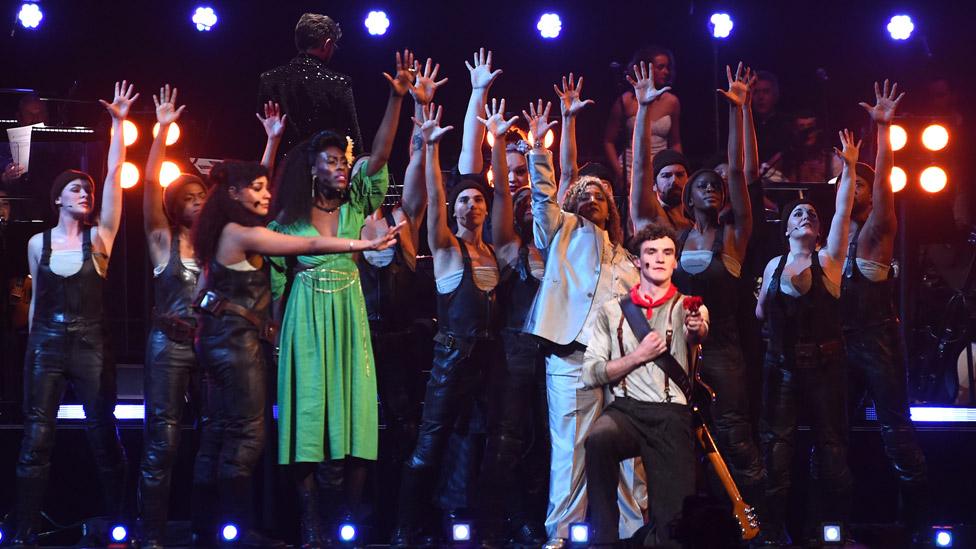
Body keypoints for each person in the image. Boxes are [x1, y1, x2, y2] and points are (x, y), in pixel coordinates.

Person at [191, 159, 401, 548]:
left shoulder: (221, 228)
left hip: (220, 341)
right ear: (234, 193)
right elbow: (308, 244)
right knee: (246, 438)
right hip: (235, 345)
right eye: (256, 187)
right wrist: (364, 243)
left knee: (220, 432)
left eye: (266, 186)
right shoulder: (239, 232)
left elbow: (200, 294)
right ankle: (234, 531)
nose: (266, 194)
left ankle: (213, 526)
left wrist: (269, 144)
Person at [267, 48, 413, 547]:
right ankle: (311, 524)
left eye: (343, 161)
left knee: (354, 415)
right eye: (331, 161)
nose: (340, 167)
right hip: (304, 319)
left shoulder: (357, 204)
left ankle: (347, 517)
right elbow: (279, 282)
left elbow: (382, 151)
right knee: (308, 415)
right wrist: (275, 331)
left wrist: (397, 100)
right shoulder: (289, 218)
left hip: (349, 315)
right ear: (312, 167)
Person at [11, 81, 136, 547]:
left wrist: (119, 122)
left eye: (87, 187)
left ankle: (122, 521)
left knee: (103, 432)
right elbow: (38, 301)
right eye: (76, 188)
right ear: (58, 198)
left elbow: (116, 168)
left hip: (90, 344)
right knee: (35, 439)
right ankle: (22, 530)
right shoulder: (36, 243)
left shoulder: (99, 239)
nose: (85, 191)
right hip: (45, 343)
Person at [523, 93, 649, 547]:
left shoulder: (627, 258)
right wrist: (541, 146)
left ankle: (636, 533)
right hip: (573, 359)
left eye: (601, 195)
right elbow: (543, 197)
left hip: (623, 369)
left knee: (628, 455)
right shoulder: (562, 233)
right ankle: (561, 537)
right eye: (584, 194)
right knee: (571, 452)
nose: (593, 198)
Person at [392, 100, 516, 546]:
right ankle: (407, 529)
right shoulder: (446, 249)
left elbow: (503, 192)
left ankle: (482, 525)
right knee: (431, 443)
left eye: (477, 199)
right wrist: (429, 148)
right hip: (451, 359)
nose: (472, 205)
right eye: (464, 199)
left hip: (489, 361)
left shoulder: (495, 251)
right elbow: (434, 201)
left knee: (488, 444)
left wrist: (498, 142)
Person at [755, 128, 860, 544]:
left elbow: (843, 210)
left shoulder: (830, 260)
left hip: (825, 368)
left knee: (831, 449)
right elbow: (761, 312)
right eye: (798, 214)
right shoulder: (773, 265)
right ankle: (773, 531)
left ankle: (833, 530)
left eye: (811, 215)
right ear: (785, 229)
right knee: (777, 450)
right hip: (780, 366)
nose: (807, 217)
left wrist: (850, 168)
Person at [670, 63, 766, 513]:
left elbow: (740, 171)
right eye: (701, 186)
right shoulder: (678, 239)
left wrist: (740, 112)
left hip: (724, 347)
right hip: (678, 347)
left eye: (716, 187)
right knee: (679, 434)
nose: (711, 189)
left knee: (732, 431)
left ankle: (753, 518)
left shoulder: (735, 234)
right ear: (689, 198)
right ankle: (689, 520)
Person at [582, 223, 708, 547]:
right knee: (598, 440)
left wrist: (696, 328)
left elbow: (698, 330)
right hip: (627, 411)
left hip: (671, 415)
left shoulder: (688, 306)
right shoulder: (612, 311)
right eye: (651, 252)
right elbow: (591, 372)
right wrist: (636, 356)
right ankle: (604, 540)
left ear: (676, 261)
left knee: (673, 523)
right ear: (638, 261)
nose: (660, 258)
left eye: (668, 252)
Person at [844, 80, 928, 535]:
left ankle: (914, 517)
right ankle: (833, 519)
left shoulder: (878, 231)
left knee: (895, 429)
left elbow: (882, 191)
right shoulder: (828, 242)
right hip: (839, 343)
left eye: (859, 184)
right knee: (831, 433)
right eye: (848, 183)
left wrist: (882, 131)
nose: (855, 189)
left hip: (877, 342)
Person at [357, 55, 445, 471]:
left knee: (405, 420)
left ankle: (404, 515)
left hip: (399, 341)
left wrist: (420, 104)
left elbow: (418, 158)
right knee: (360, 423)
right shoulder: (344, 226)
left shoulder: (403, 220)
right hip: (357, 338)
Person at [475, 97, 551, 546]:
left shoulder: (559, 245)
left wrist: (542, 147)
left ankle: (539, 520)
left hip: (556, 355)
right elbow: (503, 193)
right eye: (512, 179)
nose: (521, 191)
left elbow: (548, 193)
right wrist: (500, 140)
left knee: (548, 439)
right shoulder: (505, 242)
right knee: (505, 441)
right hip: (512, 354)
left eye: (528, 181)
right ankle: (496, 523)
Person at [258, 13, 362, 155]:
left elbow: (260, 136)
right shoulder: (339, 84)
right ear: (328, 44)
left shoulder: (269, 80)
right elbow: (352, 139)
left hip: (282, 171)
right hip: (322, 171)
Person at [603, 46, 682, 194]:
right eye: (661, 67)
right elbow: (608, 141)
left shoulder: (672, 102)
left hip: (661, 171)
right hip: (629, 170)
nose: (666, 71)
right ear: (646, 68)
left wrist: (678, 169)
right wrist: (619, 172)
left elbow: (675, 142)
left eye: (668, 67)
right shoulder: (626, 101)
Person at [629, 62, 690, 235]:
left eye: (680, 175)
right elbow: (640, 165)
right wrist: (643, 107)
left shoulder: (698, 218)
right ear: (654, 184)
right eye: (666, 176)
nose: (674, 181)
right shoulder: (650, 215)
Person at [751, 71, 792, 166]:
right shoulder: (744, 125)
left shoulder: (786, 125)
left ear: (775, 95)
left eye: (766, 92)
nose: (760, 97)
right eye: (756, 92)